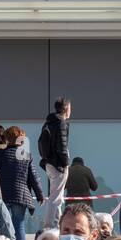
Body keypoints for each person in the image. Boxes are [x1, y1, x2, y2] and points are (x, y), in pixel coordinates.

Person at [0, 125, 45, 240]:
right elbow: (33, 177)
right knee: (19, 224)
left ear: (7, 139)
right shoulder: (26, 156)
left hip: (2, 195)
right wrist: (40, 195)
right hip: (20, 197)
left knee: (3, 225)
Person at [38, 97, 72, 230]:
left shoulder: (48, 122)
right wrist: (66, 163)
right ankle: (51, 226)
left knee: (55, 196)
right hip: (58, 164)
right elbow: (62, 146)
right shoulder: (61, 123)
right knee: (56, 198)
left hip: (49, 163)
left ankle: (54, 225)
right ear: (66, 108)